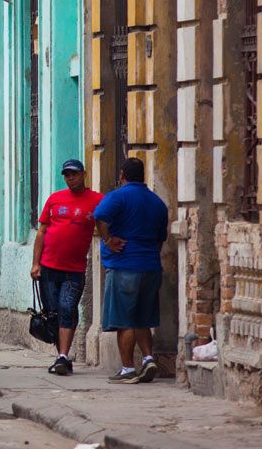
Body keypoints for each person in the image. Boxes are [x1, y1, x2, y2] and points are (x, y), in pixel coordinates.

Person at [94, 156, 170, 383]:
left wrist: (108, 240)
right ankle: (148, 359)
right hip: (151, 267)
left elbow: (99, 216)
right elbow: (160, 239)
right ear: (143, 175)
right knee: (142, 319)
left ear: (122, 175)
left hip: (125, 265)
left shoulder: (118, 196)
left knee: (124, 320)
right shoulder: (157, 202)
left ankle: (127, 368)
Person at [31, 159, 104, 375]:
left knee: (67, 308)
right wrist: (35, 263)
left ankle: (63, 355)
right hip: (47, 267)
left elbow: (105, 225)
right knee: (53, 313)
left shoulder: (97, 200)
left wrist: (110, 240)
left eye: (74, 174)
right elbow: (42, 232)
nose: (70, 178)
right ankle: (61, 356)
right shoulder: (55, 199)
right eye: (66, 175)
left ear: (83, 174)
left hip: (74, 269)